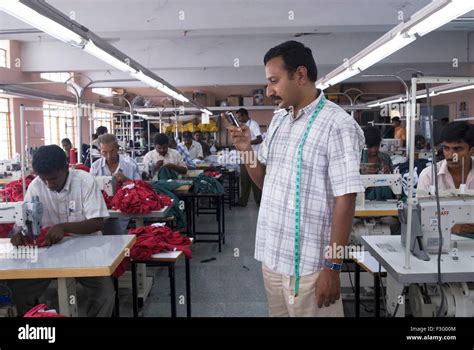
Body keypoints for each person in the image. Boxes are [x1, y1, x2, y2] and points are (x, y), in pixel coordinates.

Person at [226, 40, 364, 317]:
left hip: (312, 266)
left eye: (274, 81)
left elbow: (346, 198)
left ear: (300, 75)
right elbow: (266, 181)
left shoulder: (338, 125)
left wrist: (333, 266)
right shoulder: (278, 121)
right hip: (273, 256)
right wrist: (246, 151)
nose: (269, 90)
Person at [6, 145, 114, 316]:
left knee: (105, 294)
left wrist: (63, 228)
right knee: (20, 291)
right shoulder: (36, 186)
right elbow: (24, 221)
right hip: (50, 254)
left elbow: (97, 222)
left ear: (66, 168)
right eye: (44, 180)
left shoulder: (85, 181)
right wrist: (19, 233)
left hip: (87, 249)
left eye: (54, 179)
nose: (49, 185)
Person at [417, 122, 474, 237]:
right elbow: (420, 216)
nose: (451, 155)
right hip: (440, 239)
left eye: (457, 149)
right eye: (446, 148)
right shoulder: (429, 176)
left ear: (472, 150)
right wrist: (450, 227)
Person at [235, 108, 263, 206]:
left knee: (254, 180)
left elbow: (260, 139)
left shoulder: (253, 124)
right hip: (244, 155)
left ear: (244, 115)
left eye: (239, 117)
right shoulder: (242, 126)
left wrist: (247, 143)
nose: (238, 119)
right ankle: (243, 201)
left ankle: (259, 201)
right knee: (244, 180)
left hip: (252, 156)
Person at [360, 126, 394, 201]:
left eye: (376, 146)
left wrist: (389, 174)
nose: (374, 150)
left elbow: (395, 181)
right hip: (363, 199)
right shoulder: (357, 160)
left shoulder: (385, 158)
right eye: (370, 147)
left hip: (385, 201)